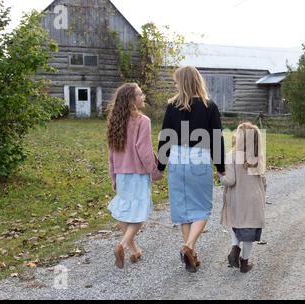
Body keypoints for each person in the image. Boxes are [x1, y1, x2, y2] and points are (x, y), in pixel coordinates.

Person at [157, 66, 225, 273]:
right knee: (203, 208)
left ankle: (191, 253)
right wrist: (221, 168)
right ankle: (188, 247)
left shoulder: (172, 106)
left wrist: (160, 166)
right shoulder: (209, 106)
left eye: (176, 81)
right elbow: (216, 139)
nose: (175, 84)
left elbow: (165, 137)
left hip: (177, 158)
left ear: (182, 82)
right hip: (199, 158)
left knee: (183, 208)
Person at [107, 83, 163, 269]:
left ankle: (133, 250)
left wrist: (113, 177)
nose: (143, 96)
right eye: (140, 94)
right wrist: (154, 172)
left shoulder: (115, 120)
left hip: (122, 173)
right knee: (139, 213)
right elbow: (144, 150)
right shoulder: (142, 120)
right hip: (138, 174)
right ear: (131, 100)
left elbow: (111, 153)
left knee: (124, 210)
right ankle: (122, 245)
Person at [218, 122, 267, 273]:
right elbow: (263, 180)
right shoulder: (258, 157)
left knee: (236, 223)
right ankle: (244, 262)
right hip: (254, 199)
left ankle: (234, 247)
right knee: (249, 232)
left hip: (237, 198)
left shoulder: (231, 156)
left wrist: (220, 177)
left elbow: (230, 180)